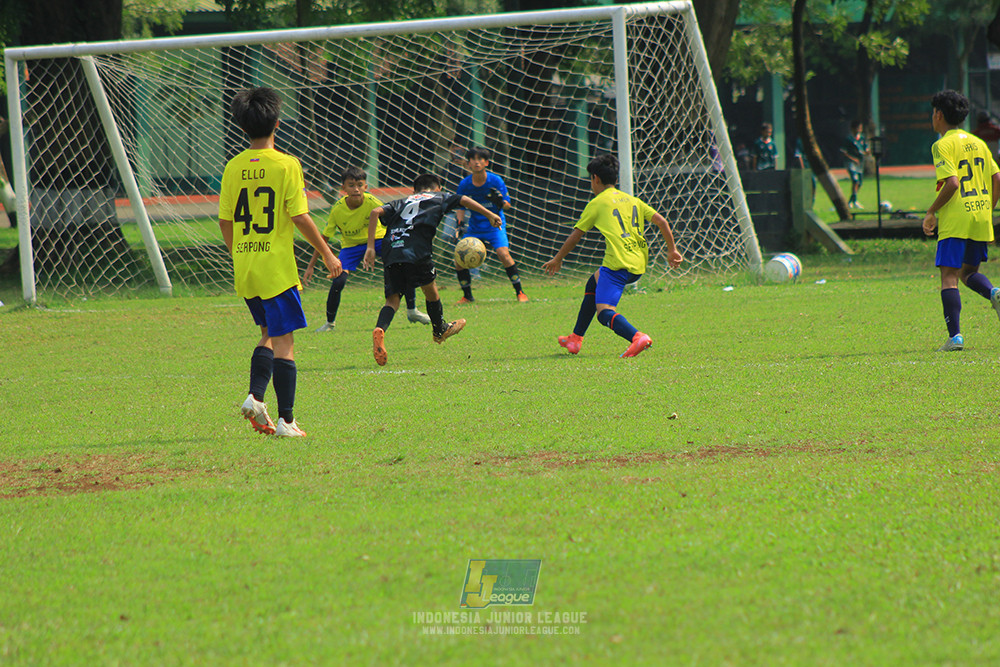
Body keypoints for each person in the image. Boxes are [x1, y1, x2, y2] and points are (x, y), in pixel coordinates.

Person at [219, 86, 342, 437]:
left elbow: (225, 221)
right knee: (285, 342)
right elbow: (300, 216)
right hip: (276, 268)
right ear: (277, 123)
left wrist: (239, 254)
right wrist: (328, 253)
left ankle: (256, 397)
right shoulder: (287, 164)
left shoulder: (233, 166)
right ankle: (287, 421)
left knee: (268, 334)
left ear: (243, 126)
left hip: (246, 266)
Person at [542, 154, 683, 358]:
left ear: (595, 178)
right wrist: (672, 250)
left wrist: (558, 258)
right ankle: (575, 338)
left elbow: (576, 236)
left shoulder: (598, 203)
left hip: (617, 264)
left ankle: (637, 337)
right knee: (593, 283)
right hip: (638, 263)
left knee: (604, 312)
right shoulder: (632, 200)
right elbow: (662, 222)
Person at [362, 173, 502, 366]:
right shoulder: (440, 197)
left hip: (392, 249)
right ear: (438, 187)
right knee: (431, 291)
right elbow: (464, 200)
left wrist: (370, 247)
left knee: (392, 300)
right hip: (417, 250)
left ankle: (380, 329)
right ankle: (439, 329)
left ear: (415, 190)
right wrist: (490, 214)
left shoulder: (401, 201)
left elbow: (375, 212)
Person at [303, 166, 430, 331]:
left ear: (366, 187)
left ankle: (412, 310)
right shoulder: (337, 209)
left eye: (359, 185)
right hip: (351, 247)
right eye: (351, 185)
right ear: (343, 188)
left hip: (378, 241)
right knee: (338, 280)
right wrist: (311, 265)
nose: (356, 189)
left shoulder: (373, 202)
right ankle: (329, 323)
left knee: (403, 264)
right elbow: (323, 239)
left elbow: (395, 219)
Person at [922, 90, 1000, 352]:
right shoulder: (979, 143)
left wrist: (931, 211)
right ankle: (993, 293)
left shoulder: (942, 145)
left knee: (949, 277)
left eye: (933, 113)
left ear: (939, 115)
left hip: (956, 219)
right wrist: (987, 209)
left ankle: (955, 336)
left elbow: (953, 183)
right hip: (980, 215)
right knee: (969, 273)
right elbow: (997, 179)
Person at [453, 146, 528, 304]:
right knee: (459, 259)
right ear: (468, 163)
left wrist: (500, 202)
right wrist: (459, 225)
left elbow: (507, 205)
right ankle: (467, 296)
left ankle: (520, 292)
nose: (477, 162)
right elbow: (460, 207)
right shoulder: (465, 184)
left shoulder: (495, 180)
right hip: (475, 227)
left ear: (486, 162)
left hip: (495, 226)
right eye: (473, 159)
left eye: (480, 159)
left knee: (503, 254)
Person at [840, 120, 869, 208]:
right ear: (853, 128)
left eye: (860, 128)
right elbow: (844, 151)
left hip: (860, 162)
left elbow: (865, 148)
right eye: (858, 128)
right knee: (855, 180)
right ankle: (854, 201)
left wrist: (867, 152)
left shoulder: (862, 138)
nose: (859, 130)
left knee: (859, 182)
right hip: (851, 162)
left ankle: (851, 201)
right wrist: (853, 159)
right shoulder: (848, 139)